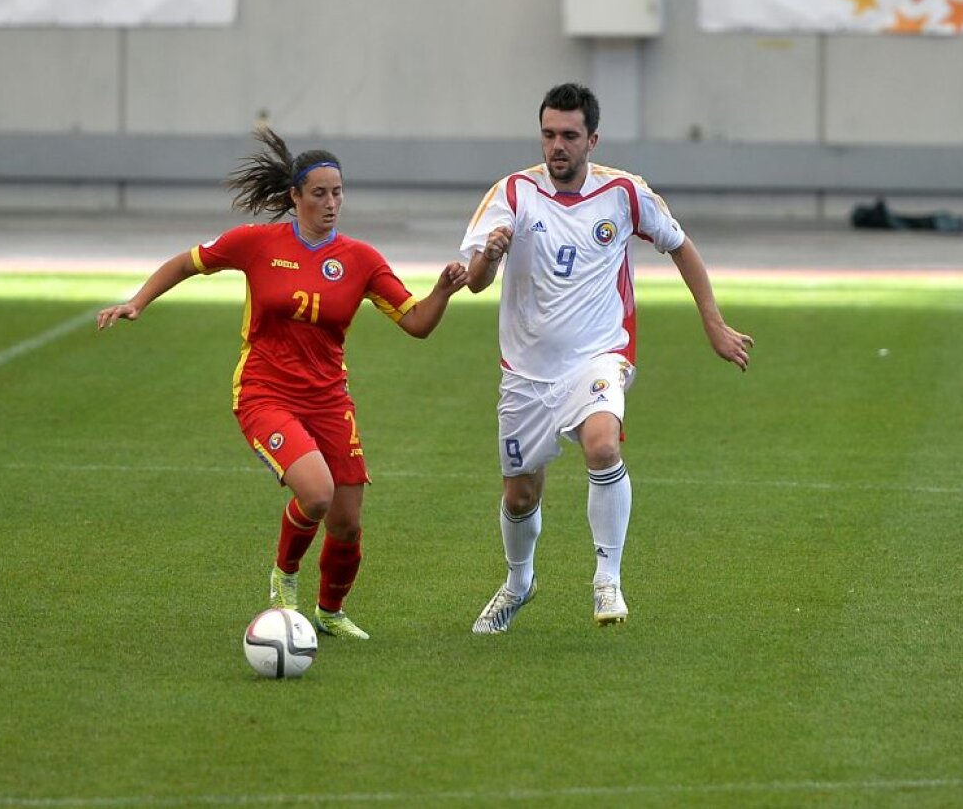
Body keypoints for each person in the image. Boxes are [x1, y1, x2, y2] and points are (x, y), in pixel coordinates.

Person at [96, 128, 468, 640]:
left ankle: (330, 614)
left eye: (338, 192)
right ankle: (283, 577)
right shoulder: (256, 243)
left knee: (347, 522)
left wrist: (443, 291)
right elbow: (187, 261)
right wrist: (139, 300)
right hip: (264, 393)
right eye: (319, 193)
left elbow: (417, 323)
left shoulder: (361, 260)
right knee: (316, 495)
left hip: (328, 398)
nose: (331, 203)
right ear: (294, 197)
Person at [461, 83, 754, 634]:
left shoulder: (624, 192)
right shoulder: (513, 194)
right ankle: (519, 583)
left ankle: (607, 577)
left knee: (603, 443)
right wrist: (490, 256)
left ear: (592, 139)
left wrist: (713, 322)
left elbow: (680, 244)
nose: (557, 146)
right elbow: (475, 283)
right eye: (549, 134)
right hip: (525, 372)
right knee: (520, 493)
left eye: (569, 135)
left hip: (599, 356)